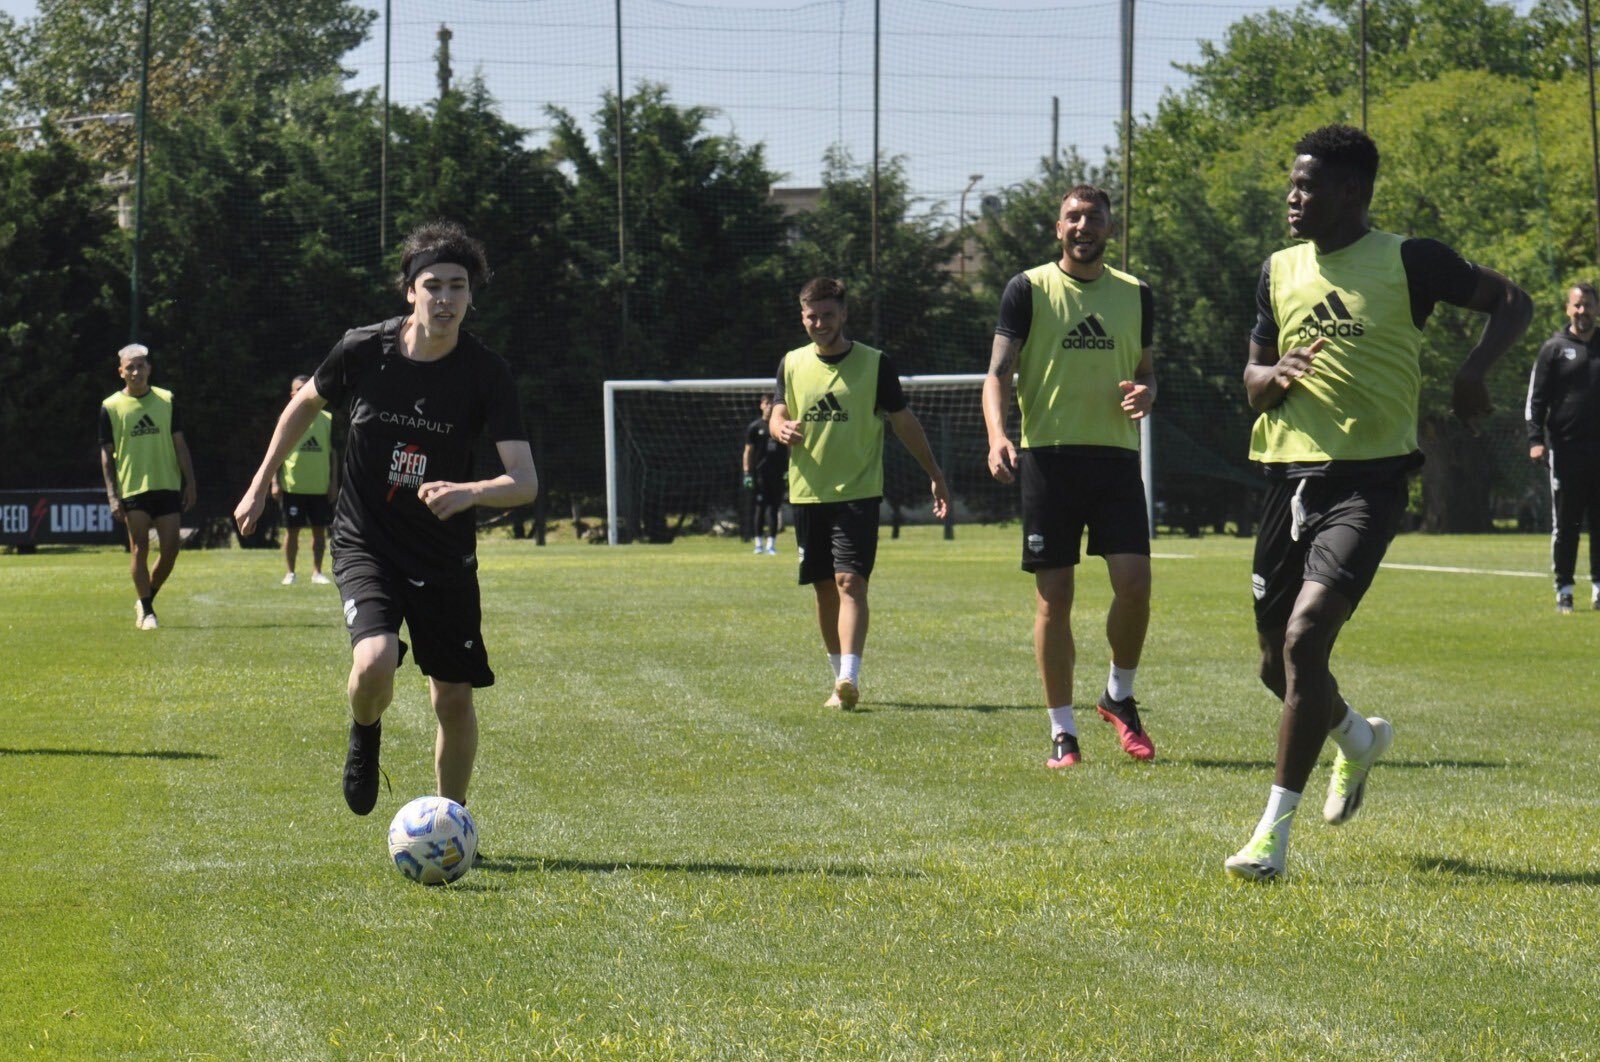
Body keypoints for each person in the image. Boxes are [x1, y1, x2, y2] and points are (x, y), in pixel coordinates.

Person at [1226, 124, 1531, 881]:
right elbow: (1253, 380)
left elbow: (1512, 302)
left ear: (1353, 193)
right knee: (1276, 667)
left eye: (1309, 186)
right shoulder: (1277, 269)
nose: (1294, 197)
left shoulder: (1409, 259)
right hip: (1285, 480)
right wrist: (1277, 377)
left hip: (1370, 482)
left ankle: (1271, 837)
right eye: (1291, 184)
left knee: (1304, 642)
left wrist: (1473, 373)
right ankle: (1358, 740)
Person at [233, 221, 538, 817]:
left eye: (458, 286)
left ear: (471, 296)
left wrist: (470, 491)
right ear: (410, 291)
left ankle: (451, 822)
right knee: (373, 660)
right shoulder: (363, 350)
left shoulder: (486, 373)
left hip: (443, 554)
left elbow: (523, 482)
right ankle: (365, 734)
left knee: (452, 698)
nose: (445, 298)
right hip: (366, 540)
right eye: (433, 285)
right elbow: (304, 404)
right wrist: (259, 482)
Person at [982, 184, 1157, 769]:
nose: (1084, 226)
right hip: (1048, 459)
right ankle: (1063, 732)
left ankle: (1119, 694)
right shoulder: (1027, 289)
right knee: (1055, 598)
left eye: (1095, 218)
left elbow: (1146, 372)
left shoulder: (1137, 294)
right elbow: (997, 375)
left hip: (1113, 458)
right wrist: (998, 435)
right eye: (1074, 217)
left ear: (1111, 228)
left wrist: (1146, 392)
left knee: (1134, 584)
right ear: (1059, 228)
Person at [768, 276, 950, 709]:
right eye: (811, 316)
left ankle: (850, 675)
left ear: (844, 314)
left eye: (828, 315)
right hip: (807, 493)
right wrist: (779, 426)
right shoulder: (791, 363)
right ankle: (838, 683)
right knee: (824, 589)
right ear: (802, 317)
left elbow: (903, 421)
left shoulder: (874, 363)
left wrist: (934, 473)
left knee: (850, 581)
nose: (819, 323)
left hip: (858, 492)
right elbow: (777, 407)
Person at [99, 344, 197, 630]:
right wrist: (112, 495)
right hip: (132, 488)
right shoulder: (110, 406)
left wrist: (190, 482)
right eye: (130, 367)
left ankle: (145, 600)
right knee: (140, 547)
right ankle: (148, 611)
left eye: (141, 365)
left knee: (170, 550)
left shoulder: (166, 400)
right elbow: (106, 453)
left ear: (149, 369)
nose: (136, 371)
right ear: (121, 372)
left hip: (166, 484)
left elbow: (180, 445)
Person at [1525, 282, 1600, 613]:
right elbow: (1536, 399)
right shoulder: (1553, 349)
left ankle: (1599, 588)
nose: (1582, 311)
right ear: (1568, 309)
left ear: (1597, 308)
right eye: (1577, 305)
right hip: (1566, 451)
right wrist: (1535, 440)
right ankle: (1564, 589)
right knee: (1567, 524)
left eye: (1588, 305)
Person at [272, 374, 338, 585]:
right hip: (293, 486)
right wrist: (275, 481)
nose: (302, 392)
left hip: (319, 487)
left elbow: (333, 454)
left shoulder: (327, 419)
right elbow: (275, 452)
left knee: (320, 532)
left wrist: (333, 483)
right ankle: (290, 573)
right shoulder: (286, 418)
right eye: (298, 389)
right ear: (292, 394)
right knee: (292, 531)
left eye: (306, 388)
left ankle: (317, 572)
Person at [743, 393, 787, 555]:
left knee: (774, 508)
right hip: (760, 475)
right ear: (761, 405)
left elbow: (788, 450)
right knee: (760, 508)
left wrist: (789, 470)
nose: (769, 407)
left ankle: (771, 545)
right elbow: (748, 451)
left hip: (778, 474)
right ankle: (758, 544)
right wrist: (747, 472)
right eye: (767, 403)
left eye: (772, 404)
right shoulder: (755, 427)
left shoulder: (781, 426)